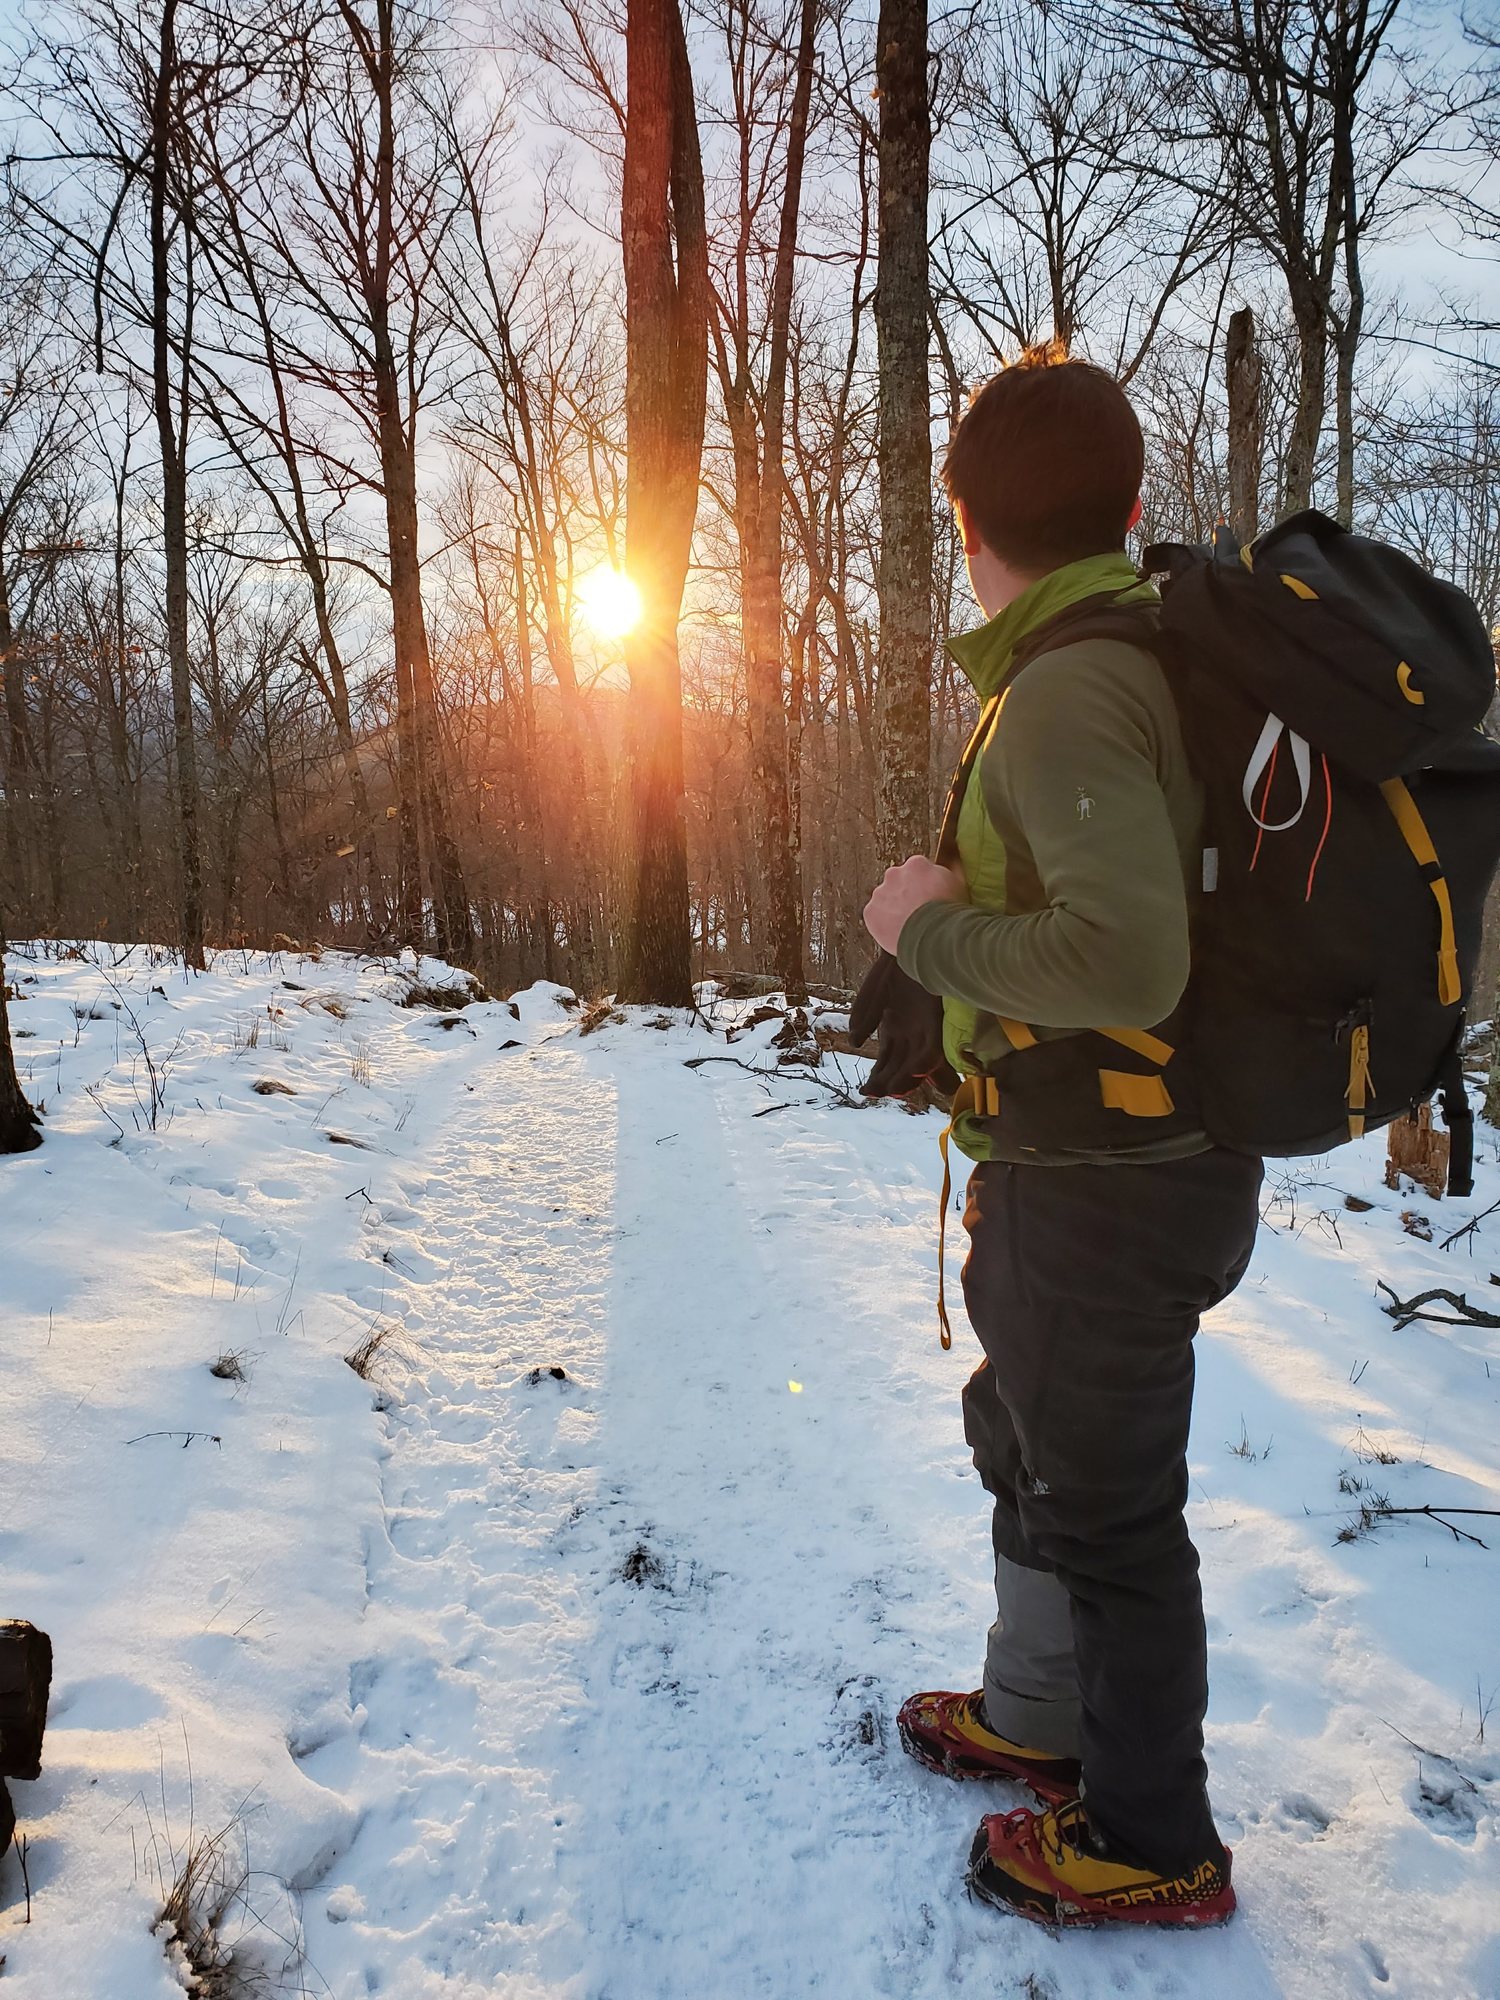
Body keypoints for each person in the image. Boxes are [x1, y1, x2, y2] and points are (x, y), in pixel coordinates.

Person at [861, 349, 1262, 1929]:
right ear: (1134, 507)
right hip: (1095, 1173)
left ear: (966, 524)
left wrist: (925, 932)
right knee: (1024, 1438)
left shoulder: (1072, 688)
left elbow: (1128, 960)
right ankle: (1039, 1713)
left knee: (1109, 1510)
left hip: (1111, 1181)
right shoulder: (1114, 656)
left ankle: (1155, 1837)